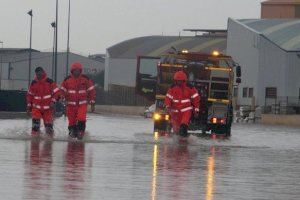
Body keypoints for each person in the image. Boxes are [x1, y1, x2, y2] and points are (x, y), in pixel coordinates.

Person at [61, 62, 96, 139]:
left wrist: (92, 103)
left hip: (82, 105)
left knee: (81, 118)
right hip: (70, 105)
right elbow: (62, 90)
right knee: (72, 122)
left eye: (78, 70)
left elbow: (91, 91)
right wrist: (62, 97)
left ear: (80, 71)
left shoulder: (85, 79)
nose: (77, 72)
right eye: (75, 70)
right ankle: (72, 132)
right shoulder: (67, 80)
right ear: (72, 71)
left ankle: (81, 132)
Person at [164, 71, 200, 137]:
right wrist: (167, 106)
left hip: (186, 111)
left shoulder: (190, 88)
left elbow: (196, 100)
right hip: (175, 112)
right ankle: (179, 143)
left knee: (183, 126)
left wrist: (196, 110)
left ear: (184, 80)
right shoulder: (172, 88)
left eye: (180, 81)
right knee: (176, 131)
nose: (178, 82)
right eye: (177, 81)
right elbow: (168, 98)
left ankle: (184, 142)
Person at [26, 67, 61, 136]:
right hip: (36, 108)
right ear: (36, 74)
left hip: (48, 109)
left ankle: (49, 142)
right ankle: (35, 141)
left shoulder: (49, 82)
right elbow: (29, 95)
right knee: (35, 128)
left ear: (43, 72)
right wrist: (29, 106)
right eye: (37, 74)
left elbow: (57, 93)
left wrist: (53, 101)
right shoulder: (34, 83)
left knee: (49, 129)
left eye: (40, 74)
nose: (39, 76)